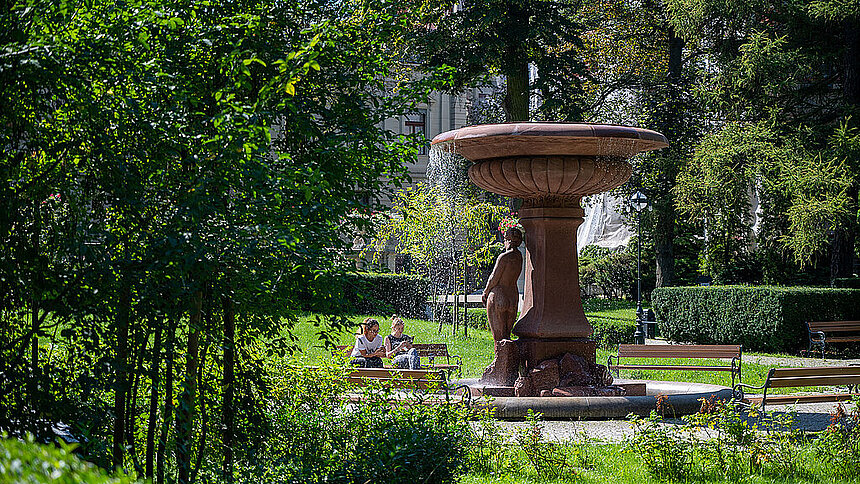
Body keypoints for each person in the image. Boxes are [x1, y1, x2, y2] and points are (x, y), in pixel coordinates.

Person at [482, 227, 523, 341]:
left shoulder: (504, 257)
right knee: (507, 336)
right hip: (513, 297)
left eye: (504, 240)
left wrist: (485, 292)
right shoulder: (519, 257)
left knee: (499, 339)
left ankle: (500, 353)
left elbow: (494, 278)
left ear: (508, 240)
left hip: (499, 295)